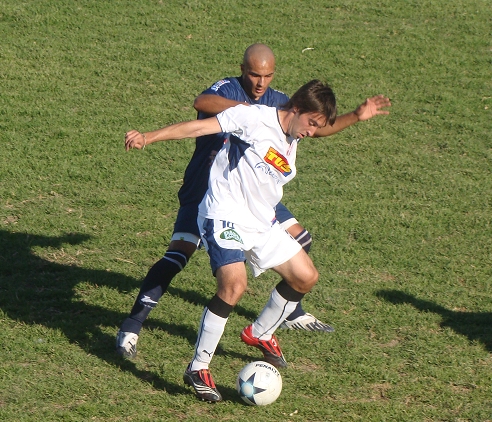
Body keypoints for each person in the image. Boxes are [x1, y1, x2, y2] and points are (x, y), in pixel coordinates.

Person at [116, 43, 391, 359]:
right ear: (243, 70)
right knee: (179, 256)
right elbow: (202, 103)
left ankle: (284, 315)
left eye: (267, 76)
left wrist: (355, 115)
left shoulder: (281, 103)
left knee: (301, 241)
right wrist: (247, 113)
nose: (261, 83)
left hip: (257, 192)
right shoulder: (230, 90)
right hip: (209, 187)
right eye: (254, 75)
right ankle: (132, 327)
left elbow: (314, 126)